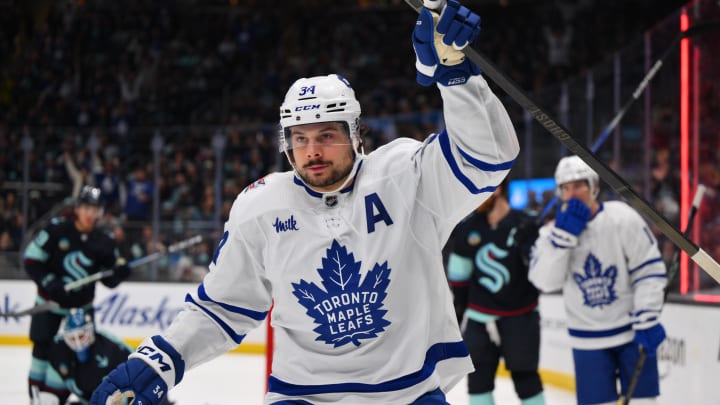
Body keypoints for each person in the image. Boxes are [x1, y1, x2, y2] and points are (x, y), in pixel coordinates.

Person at [91, 2, 520, 404]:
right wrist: (158, 361)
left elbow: (487, 158)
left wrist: (456, 74)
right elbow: (222, 306)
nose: (312, 151)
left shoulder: (404, 176)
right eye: (300, 138)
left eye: (326, 136)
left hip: (407, 393)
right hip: (303, 396)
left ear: (355, 135)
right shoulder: (261, 206)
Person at [528, 156, 667, 405]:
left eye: (579, 185)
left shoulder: (622, 218)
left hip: (631, 333)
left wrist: (647, 315)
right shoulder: (551, 234)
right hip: (587, 339)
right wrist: (563, 238)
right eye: (566, 188)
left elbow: (648, 269)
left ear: (594, 186)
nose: (573, 193)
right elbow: (545, 282)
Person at [24, 185, 131, 400]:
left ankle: (81, 397)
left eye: (95, 209)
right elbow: (31, 259)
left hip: (82, 309)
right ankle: (36, 399)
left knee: (85, 356)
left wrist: (119, 273)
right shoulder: (56, 229)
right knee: (42, 351)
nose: (90, 214)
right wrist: (49, 281)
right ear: (77, 208)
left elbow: (108, 279)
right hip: (49, 305)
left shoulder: (105, 241)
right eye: (86, 208)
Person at [446, 179, 545, 405]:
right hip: (480, 319)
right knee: (478, 381)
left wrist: (529, 247)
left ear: (497, 188)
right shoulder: (467, 228)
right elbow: (459, 279)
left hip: (521, 316)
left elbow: (543, 274)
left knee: (526, 379)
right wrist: (457, 317)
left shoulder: (527, 225)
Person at [32, 308, 172, 405]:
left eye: (81, 336)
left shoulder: (112, 351)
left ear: (90, 332)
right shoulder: (60, 353)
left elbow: (145, 375)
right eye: (72, 338)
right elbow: (55, 392)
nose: (78, 343)